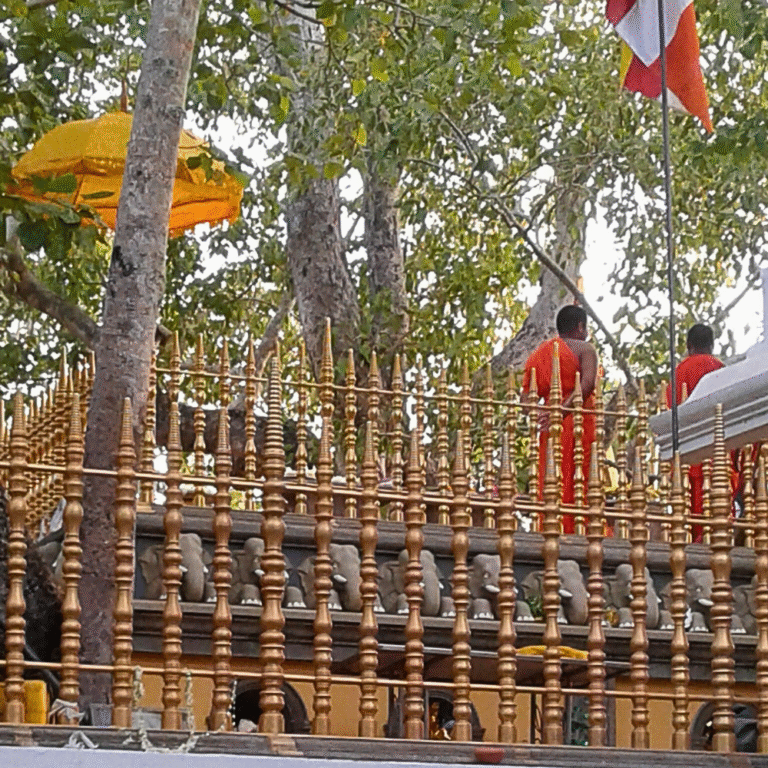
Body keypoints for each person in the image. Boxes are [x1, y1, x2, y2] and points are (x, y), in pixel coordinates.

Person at [522, 305, 598, 533]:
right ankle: (579, 530)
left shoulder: (540, 353)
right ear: (580, 327)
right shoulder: (585, 349)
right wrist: (562, 412)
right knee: (580, 478)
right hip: (578, 423)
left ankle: (550, 528)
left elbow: (526, 397)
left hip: (550, 429)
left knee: (552, 479)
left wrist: (544, 415)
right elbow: (587, 385)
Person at [665, 323, 728, 540]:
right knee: (716, 503)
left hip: (688, 449)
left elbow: (671, 409)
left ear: (689, 346)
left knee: (688, 506)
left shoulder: (680, 371)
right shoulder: (721, 369)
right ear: (711, 345)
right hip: (717, 448)